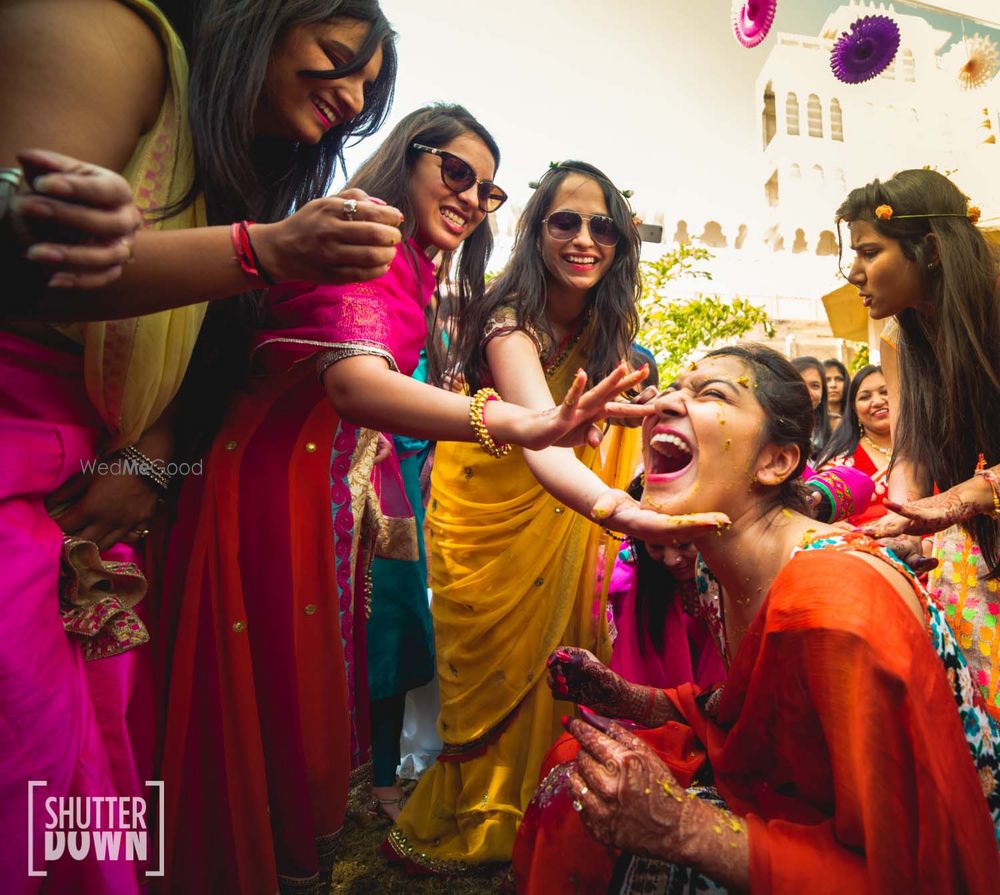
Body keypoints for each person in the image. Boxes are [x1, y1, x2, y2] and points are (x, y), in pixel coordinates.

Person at [159, 107, 667, 894]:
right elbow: (356, 384)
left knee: (286, 698)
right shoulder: (373, 243)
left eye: (486, 188)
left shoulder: (421, 266)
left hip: (314, 488)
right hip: (259, 484)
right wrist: (534, 434)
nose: (468, 196)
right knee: (242, 697)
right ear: (408, 156)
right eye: (454, 171)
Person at [0, 2, 400, 890]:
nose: (350, 93)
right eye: (337, 57)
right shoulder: (112, 32)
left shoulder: (237, 173)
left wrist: (146, 454)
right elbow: (27, 253)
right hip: (19, 454)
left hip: (103, 492)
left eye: (369, 87)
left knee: (94, 770)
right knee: (25, 755)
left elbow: (184, 351)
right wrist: (266, 250)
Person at [513, 344, 1000, 894]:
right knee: (578, 771)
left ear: (775, 462)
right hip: (799, 812)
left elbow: (912, 870)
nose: (664, 405)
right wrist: (634, 699)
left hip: (912, 859)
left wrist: (682, 828)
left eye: (711, 394)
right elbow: (753, 717)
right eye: (671, 390)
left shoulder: (832, 605)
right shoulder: (710, 573)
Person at [383, 160, 729, 873]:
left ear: (621, 242)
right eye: (564, 221)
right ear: (537, 229)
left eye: (602, 226)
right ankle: (483, 811)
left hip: (571, 526)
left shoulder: (614, 331)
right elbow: (543, 440)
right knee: (491, 671)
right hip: (487, 522)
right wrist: (622, 512)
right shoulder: (509, 319)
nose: (583, 239)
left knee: (565, 662)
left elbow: (604, 443)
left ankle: (550, 803)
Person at [838, 169, 1000, 718]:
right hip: (978, 540)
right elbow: (912, 450)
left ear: (928, 250)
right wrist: (903, 519)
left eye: (868, 251)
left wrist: (956, 501)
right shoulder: (897, 336)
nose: (854, 272)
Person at [815, 365, 892, 524]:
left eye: (885, 392)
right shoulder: (840, 464)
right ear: (854, 410)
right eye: (865, 397)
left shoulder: (932, 450)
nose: (877, 401)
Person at [790, 355, 831, 458]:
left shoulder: (835, 429)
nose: (808, 392)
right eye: (800, 384)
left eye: (815, 386)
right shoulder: (770, 429)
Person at [823, 357, 848, 430]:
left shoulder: (857, 418)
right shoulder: (811, 421)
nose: (833, 385)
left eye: (838, 379)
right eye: (827, 380)